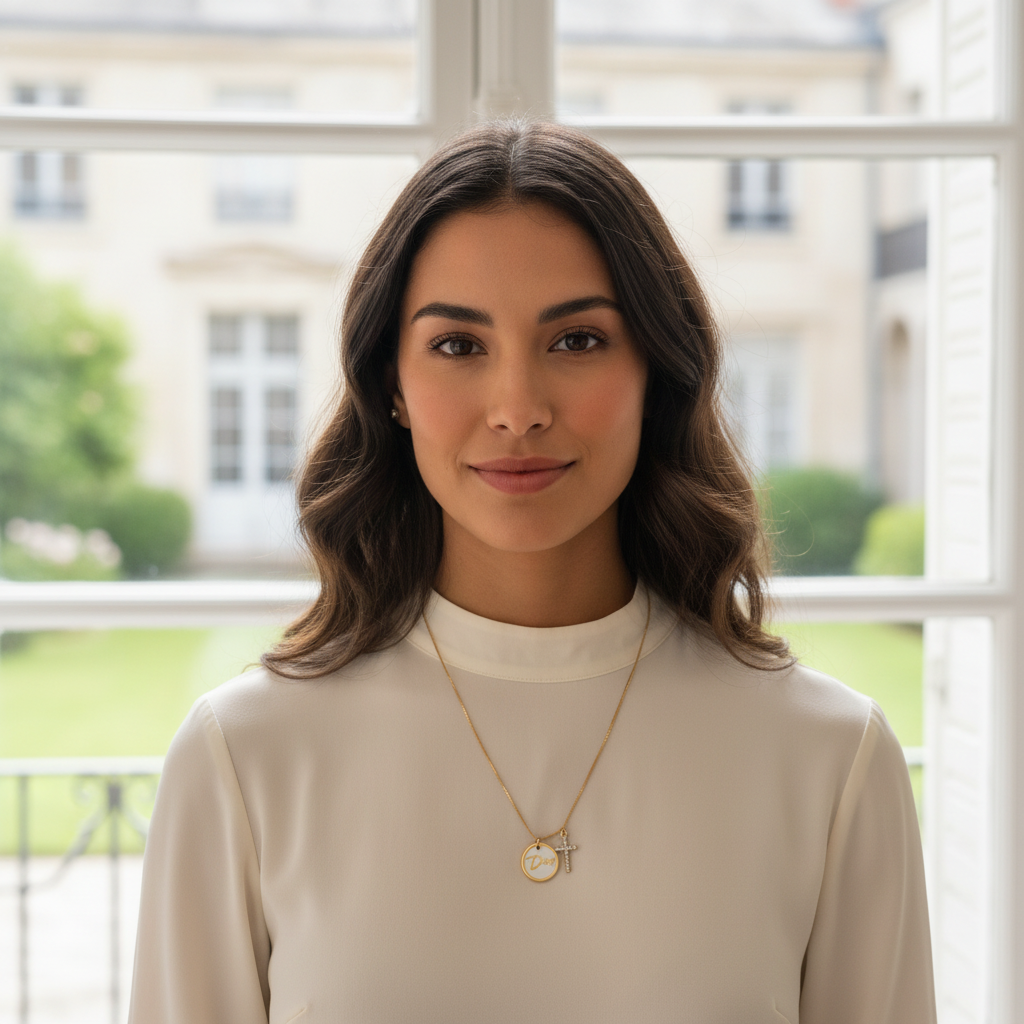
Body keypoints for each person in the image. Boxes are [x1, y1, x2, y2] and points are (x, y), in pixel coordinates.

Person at [128, 120, 935, 1023]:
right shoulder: (244, 760)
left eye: (578, 341)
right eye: (458, 346)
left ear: (656, 372)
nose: (517, 409)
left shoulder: (831, 760)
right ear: (389, 384)